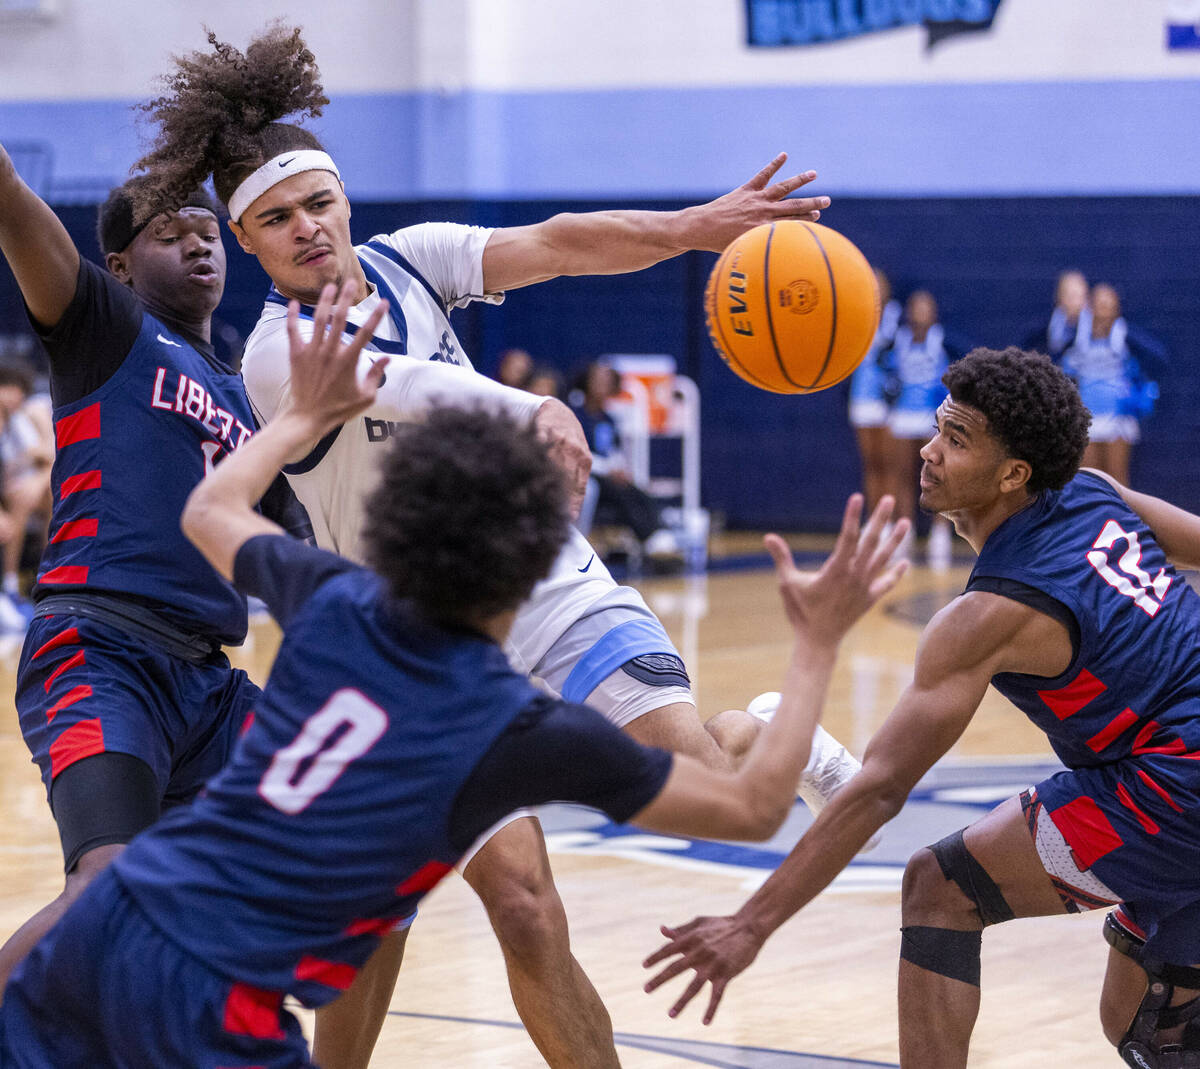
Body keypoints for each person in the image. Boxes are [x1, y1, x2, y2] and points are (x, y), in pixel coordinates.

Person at [134, 24, 867, 1069]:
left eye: (318, 204)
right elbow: (412, 387)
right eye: (275, 219)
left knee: (701, 778)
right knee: (510, 906)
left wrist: (695, 227)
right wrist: (528, 403)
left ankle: (749, 729)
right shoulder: (271, 357)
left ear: (345, 202)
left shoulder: (409, 261)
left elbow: (562, 241)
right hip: (409, 651)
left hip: (545, 585)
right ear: (248, 242)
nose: (306, 229)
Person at [0, 280, 909, 1068]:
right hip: (211, 1001)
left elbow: (211, 508)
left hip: (107, 933)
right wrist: (819, 638)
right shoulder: (508, 728)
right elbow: (751, 812)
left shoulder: (334, 600)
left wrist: (307, 419)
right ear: (529, 564)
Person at [644, 345, 1200, 1068]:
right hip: (1165, 777)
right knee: (1145, 1021)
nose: (930, 451)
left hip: (1171, 785)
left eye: (957, 439)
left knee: (939, 888)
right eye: (939, 427)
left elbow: (875, 789)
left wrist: (751, 924)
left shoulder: (989, 613)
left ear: (1013, 474)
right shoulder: (1095, 491)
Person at [0, 144, 310, 996]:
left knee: (341, 846)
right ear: (120, 264)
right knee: (107, 884)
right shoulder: (104, 324)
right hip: (99, 647)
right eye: (171, 233)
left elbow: (305, 549)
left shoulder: (250, 394)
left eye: (207, 229)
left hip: (208, 684)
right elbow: (11, 197)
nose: (200, 244)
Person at [880, 289, 969, 569]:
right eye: (915, 308)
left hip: (932, 419)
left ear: (933, 313)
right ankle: (902, 533)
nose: (920, 314)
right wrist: (889, 390)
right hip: (902, 417)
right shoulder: (898, 342)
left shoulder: (944, 341)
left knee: (938, 477)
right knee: (902, 476)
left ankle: (939, 534)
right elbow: (881, 368)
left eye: (925, 308)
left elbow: (967, 363)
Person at [1061, 282, 1167, 487]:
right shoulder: (1076, 336)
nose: (1104, 311)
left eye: (1109, 305)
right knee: (1087, 477)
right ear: (1090, 307)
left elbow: (1158, 357)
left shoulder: (1126, 336)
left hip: (1117, 417)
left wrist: (1137, 385)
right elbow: (1054, 355)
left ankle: (1120, 518)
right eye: (1100, 304)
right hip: (1087, 415)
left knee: (1117, 478)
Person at [571, 359, 678, 559]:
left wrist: (619, 469)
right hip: (584, 475)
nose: (602, 385)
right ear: (586, 382)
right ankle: (649, 538)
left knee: (636, 490)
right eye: (597, 380)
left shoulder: (607, 419)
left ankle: (659, 537)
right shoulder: (576, 414)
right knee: (617, 491)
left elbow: (612, 450)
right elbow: (575, 451)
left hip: (607, 475)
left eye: (607, 380)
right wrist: (607, 470)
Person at [0, 359, 52, 633]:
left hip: (27, 497)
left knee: (51, 490)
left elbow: (52, 456)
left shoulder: (31, 411)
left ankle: (48, 577)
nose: (12, 395)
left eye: (16, 388)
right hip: (10, 500)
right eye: (6, 388)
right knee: (22, 495)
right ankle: (9, 585)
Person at [847, 267, 901, 515]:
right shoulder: (856, 315)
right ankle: (875, 522)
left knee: (892, 465)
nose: (877, 290)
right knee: (871, 465)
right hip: (861, 396)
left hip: (890, 400)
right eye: (873, 285)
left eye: (881, 285)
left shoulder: (899, 318)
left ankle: (892, 522)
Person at [1023, 268, 1089, 361]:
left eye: (1080, 296)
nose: (1076, 302)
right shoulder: (1041, 332)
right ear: (1059, 297)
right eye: (1071, 296)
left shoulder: (1096, 331)